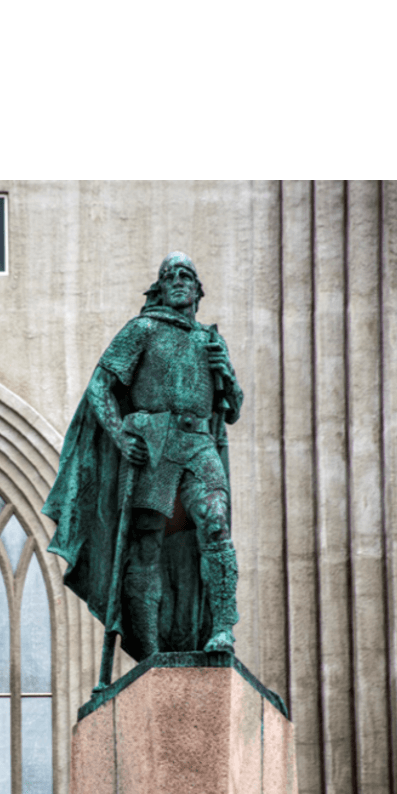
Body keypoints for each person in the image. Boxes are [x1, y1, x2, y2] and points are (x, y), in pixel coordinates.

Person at [43, 251, 243, 663]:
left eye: (187, 274)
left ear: (197, 290)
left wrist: (228, 375)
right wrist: (119, 437)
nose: (178, 280)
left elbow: (233, 409)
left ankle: (223, 627)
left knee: (216, 523)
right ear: (160, 288)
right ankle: (150, 650)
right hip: (154, 444)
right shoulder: (143, 330)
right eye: (170, 275)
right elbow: (100, 387)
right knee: (147, 543)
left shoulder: (210, 340)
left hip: (198, 441)